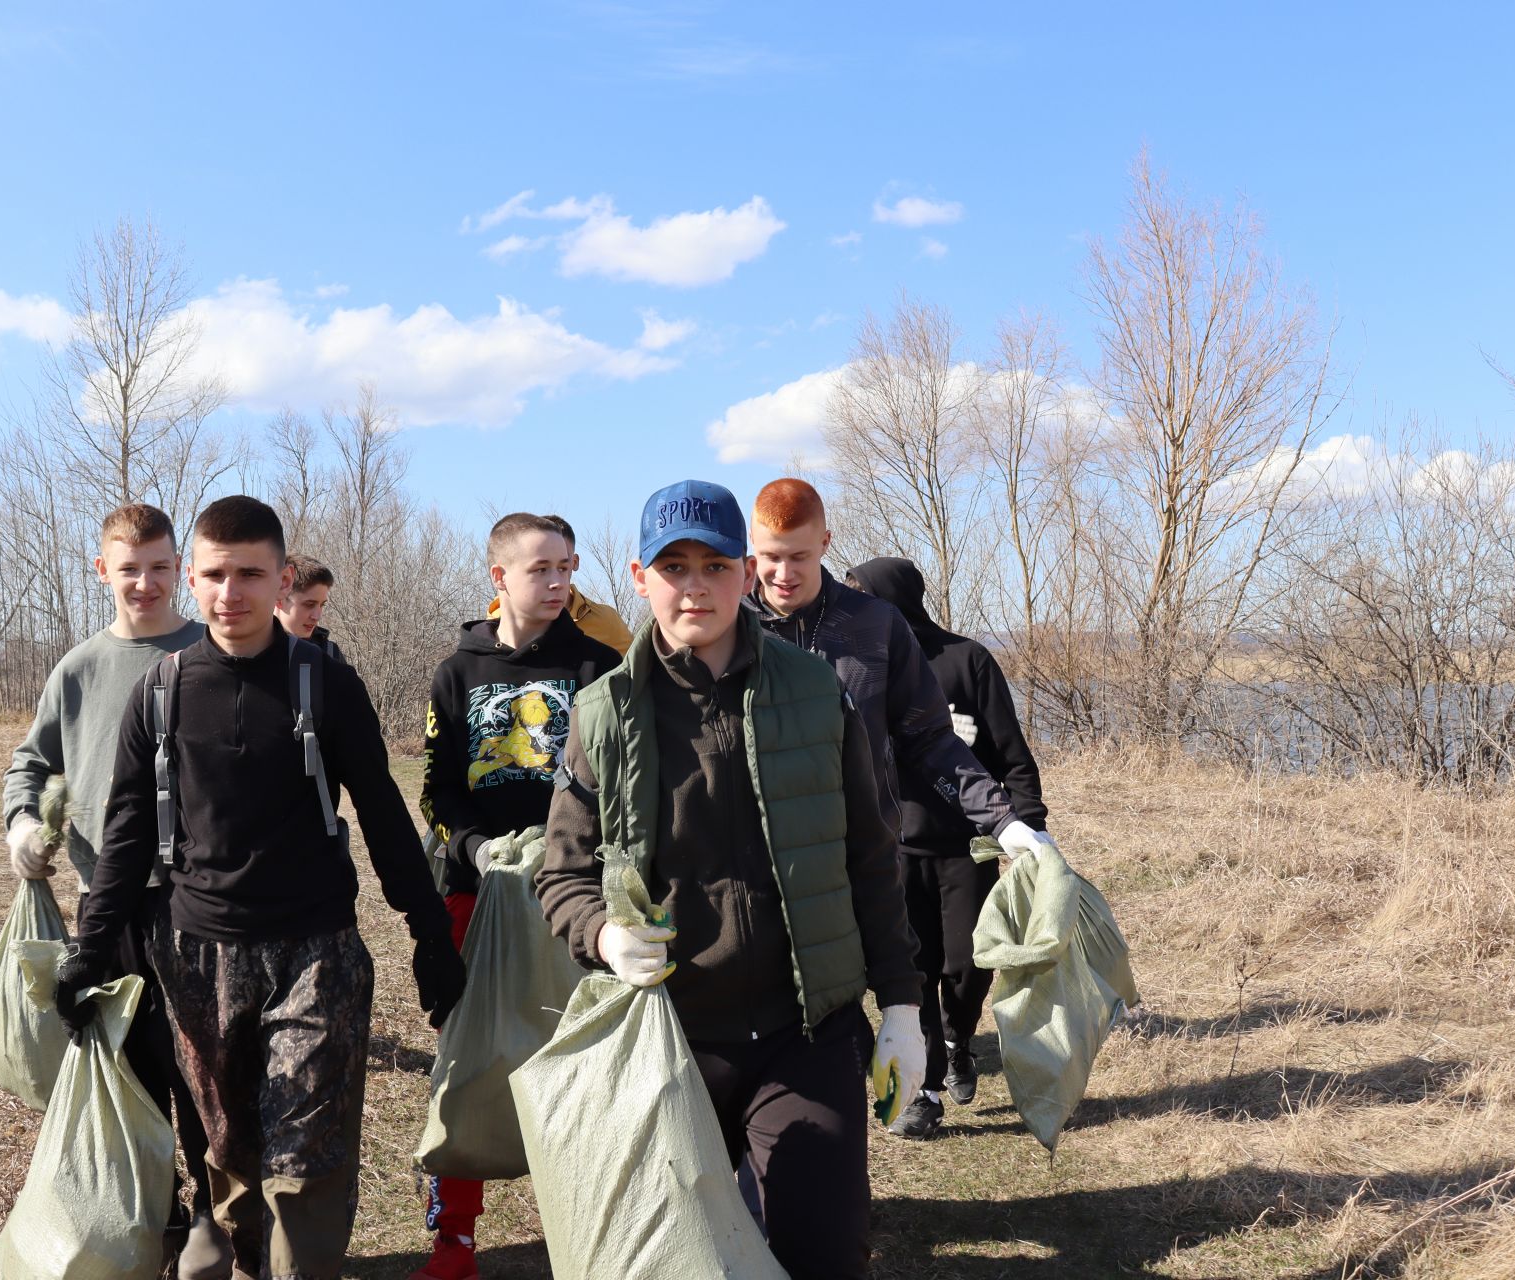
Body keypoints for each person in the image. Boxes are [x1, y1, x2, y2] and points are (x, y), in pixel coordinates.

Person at [58, 495, 465, 1280]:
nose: (229, 593)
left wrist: (427, 932)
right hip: (194, 958)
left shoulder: (326, 685)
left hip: (316, 953)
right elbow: (127, 835)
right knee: (229, 1149)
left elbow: (382, 813)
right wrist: (89, 948)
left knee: (306, 1153)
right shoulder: (160, 694)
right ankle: (251, 1263)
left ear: (280, 578)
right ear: (193, 578)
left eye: (250, 574)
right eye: (214, 574)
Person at [536, 479, 926, 1280]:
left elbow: (872, 854)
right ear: (640, 579)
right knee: (679, 1259)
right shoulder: (602, 715)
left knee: (824, 1252)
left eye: (714, 565)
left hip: (804, 1030)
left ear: (746, 575)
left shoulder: (817, 693)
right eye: (672, 567)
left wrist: (903, 1004)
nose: (695, 586)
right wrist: (604, 935)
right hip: (671, 1036)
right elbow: (561, 877)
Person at [0, 501, 232, 1278]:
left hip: (200, 904)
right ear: (103, 571)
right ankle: (149, 1214)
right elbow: (30, 765)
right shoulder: (78, 669)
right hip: (109, 908)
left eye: (161, 567)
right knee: (130, 1069)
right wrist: (23, 825)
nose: (146, 582)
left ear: (182, 573)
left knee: (201, 1065)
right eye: (128, 568)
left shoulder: (211, 653)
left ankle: (212, 1213)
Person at [413, 512, 620, 1280]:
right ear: (500, 578)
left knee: (581, 1062)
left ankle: (590, 1232)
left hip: (576, 897)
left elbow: (618, 788)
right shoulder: (456, 671)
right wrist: (477, 850)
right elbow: (436, 792)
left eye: (567, 566)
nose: (560, 580)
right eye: (542, 569)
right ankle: (454, 1241)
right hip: (477, 890)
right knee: (470, 1063)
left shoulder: (600, 669)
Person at [848, 556, 1048, 1137]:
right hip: (891, 847)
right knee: (910, 972)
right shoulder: (864, 666)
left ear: (897, 600)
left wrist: (1028, 829)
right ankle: (924, 1091)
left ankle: (961, 1037)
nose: (859, 608)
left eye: (867, 596)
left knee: (965, 966)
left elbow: (1012, 755)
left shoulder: (968, 660)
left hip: (966, 846)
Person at [747, 477, 1049, 862]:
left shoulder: (876, 624)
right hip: (760, 860)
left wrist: (1004, 820)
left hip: (864, 855)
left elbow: (930, 739)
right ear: (753, 546)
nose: (784, 574)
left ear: (825, 543)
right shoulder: (731, 628)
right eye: (772, 557)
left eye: (800, 557)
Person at [483, 513, 633, 655]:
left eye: (562, 565)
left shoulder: (606, 623)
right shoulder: (494, 623)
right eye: (542, 568)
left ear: (574, 562)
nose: (555, 581)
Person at [276, 553, 347, 663]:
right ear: (279, 599)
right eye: (309, 604)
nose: (317, 616)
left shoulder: (331, 655)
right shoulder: (249, 651)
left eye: (322, 605)